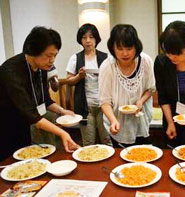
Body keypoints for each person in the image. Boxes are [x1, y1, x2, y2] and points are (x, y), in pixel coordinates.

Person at [0, 26, 79, 161]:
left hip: (23, 127)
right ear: (34, 51)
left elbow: (45, 100)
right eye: (49, 55)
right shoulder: (10, 71)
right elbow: (31, 114)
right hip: (5, 127)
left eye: (55, 55)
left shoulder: (41, 67)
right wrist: (62, 133)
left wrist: (62, 111)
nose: (52, 60)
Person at [99, 24, 155, 148]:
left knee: (144, 156)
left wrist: (140, 101)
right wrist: (113, 120)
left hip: (141, 119)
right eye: (119, 48)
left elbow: (150, 89)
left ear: (136, 47)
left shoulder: (146, 62)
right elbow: (104, 102)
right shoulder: (107, 66)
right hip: (118, 122)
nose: (125, 53)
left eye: (129, 48)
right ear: (112, 48)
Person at [66, 23, 111, 146]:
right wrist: (79, 76)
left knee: (107, 140)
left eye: (91, 37)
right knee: (88, 142)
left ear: (96, 39)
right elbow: (69, 81)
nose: (88, 41)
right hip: (84, 106)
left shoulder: (106, 58)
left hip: (104, 105)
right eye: (84, 37)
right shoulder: (75, 58)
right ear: (80, 40)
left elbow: (113, 79)